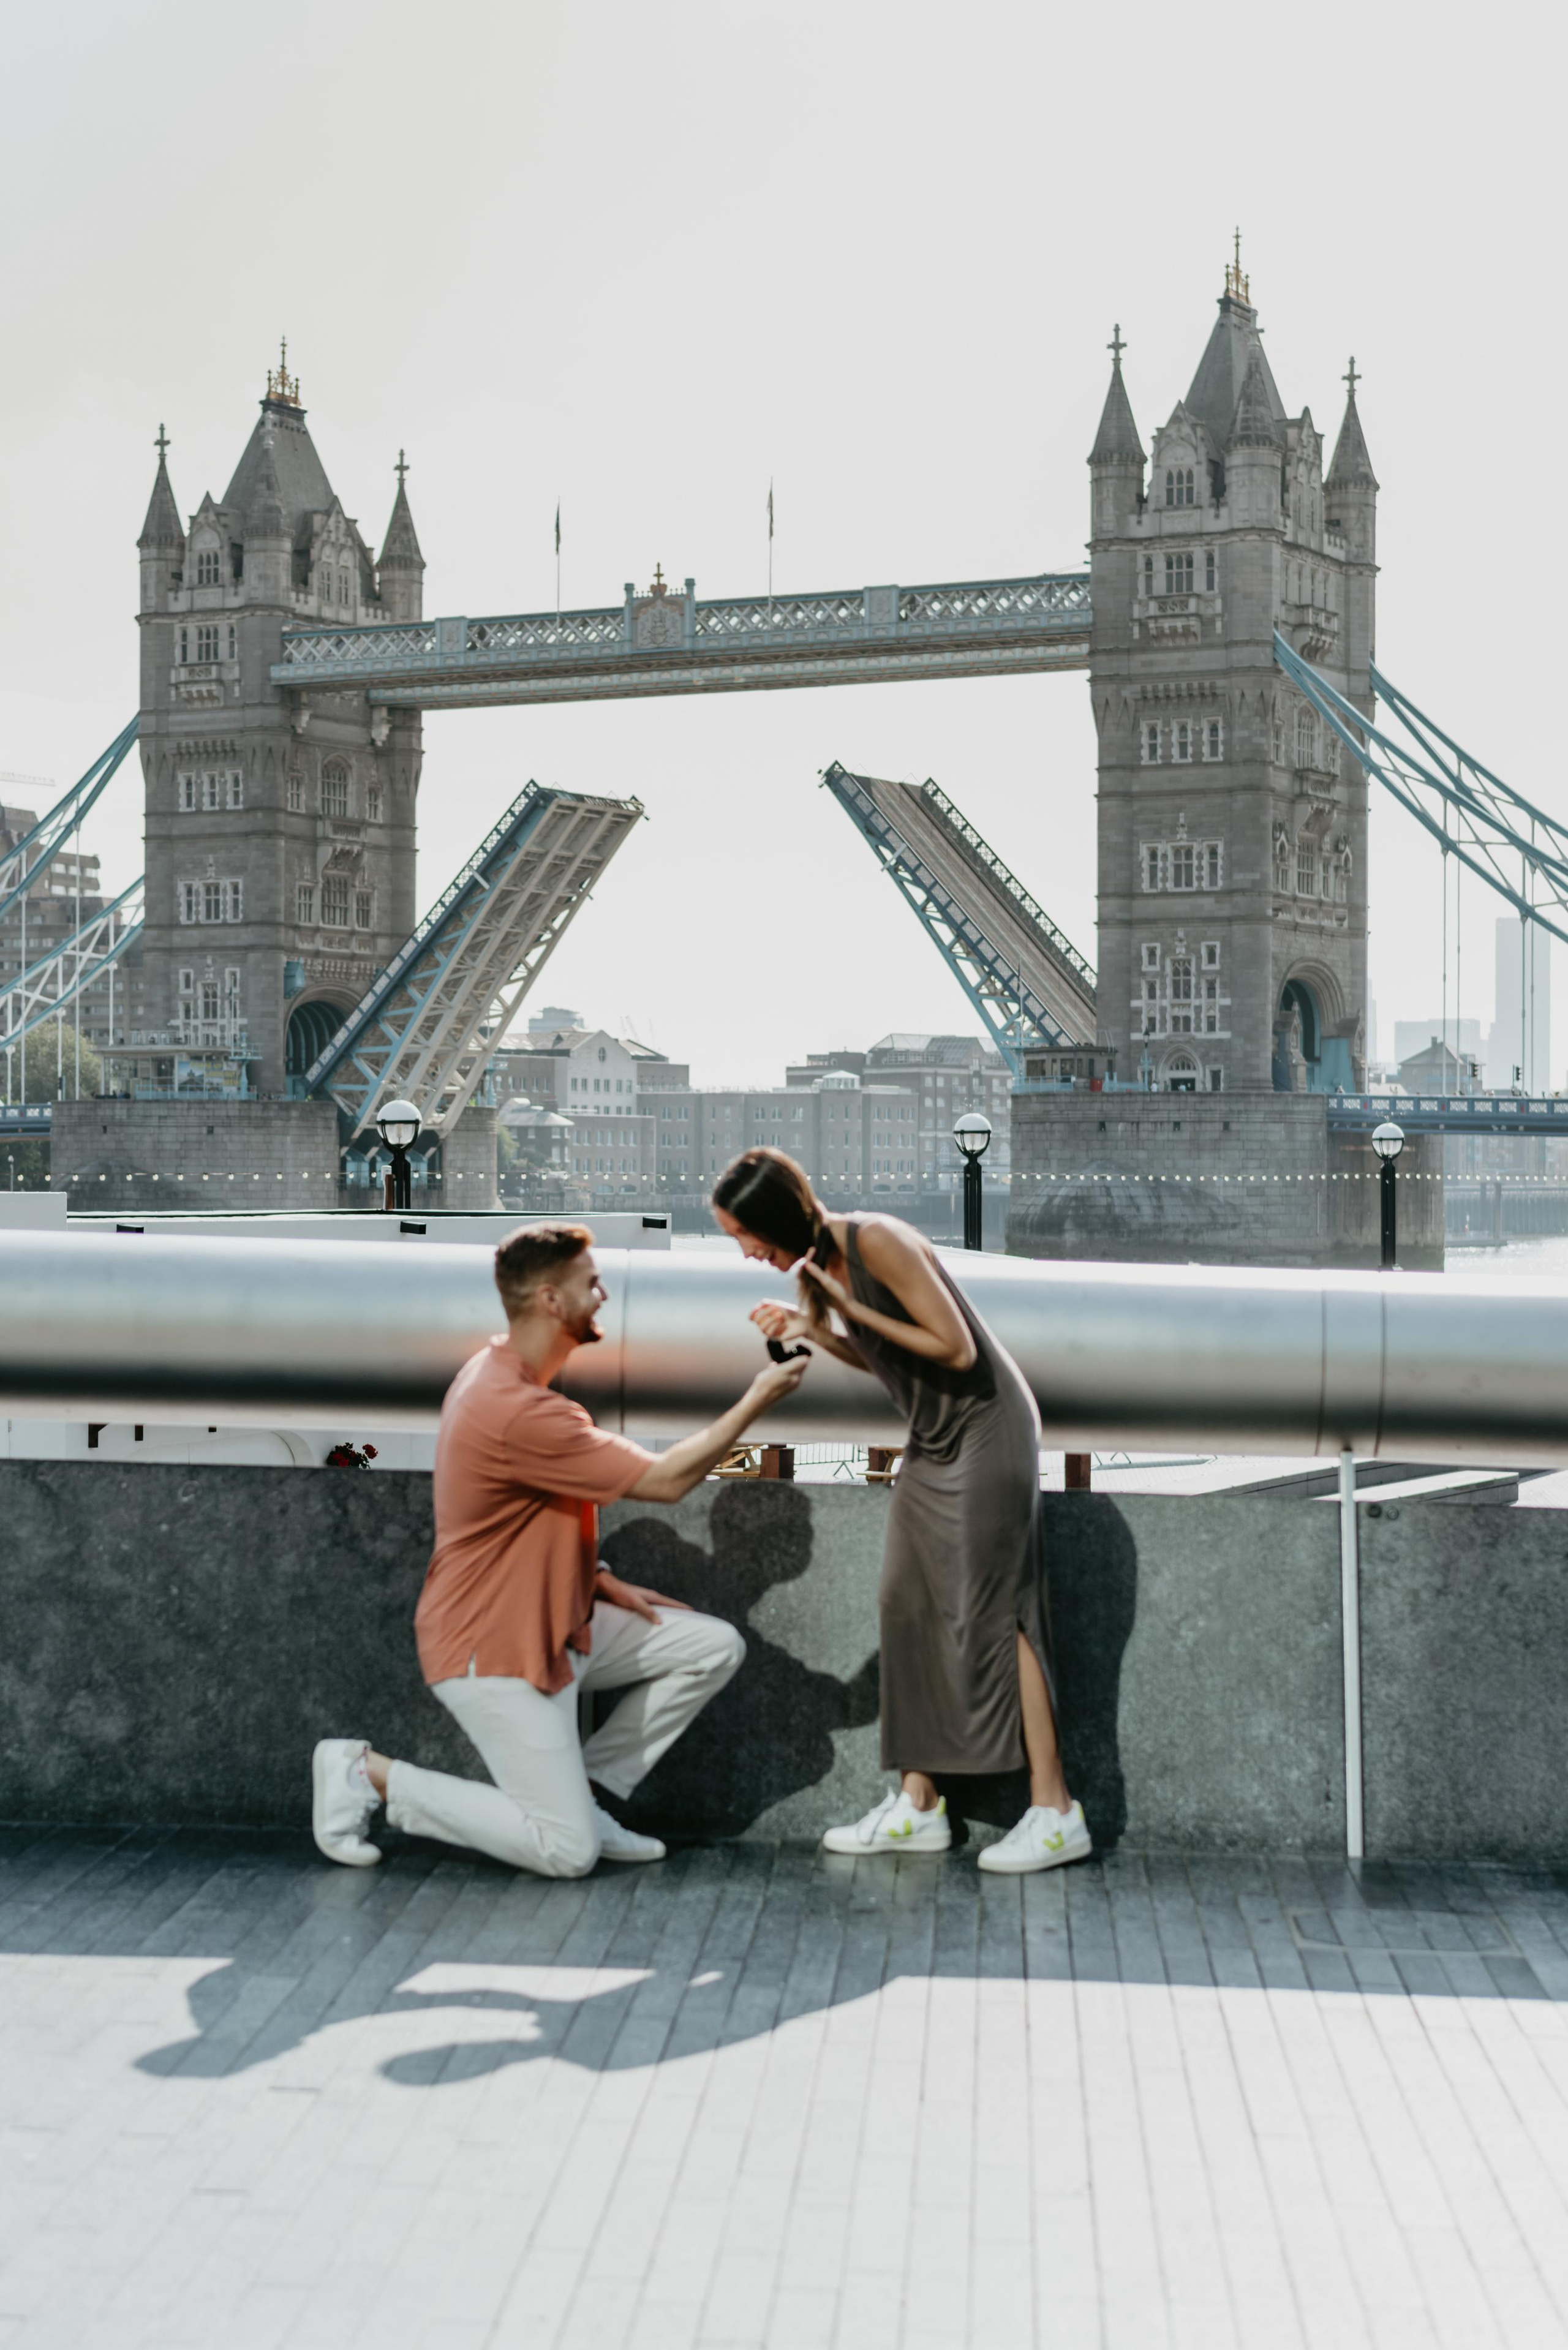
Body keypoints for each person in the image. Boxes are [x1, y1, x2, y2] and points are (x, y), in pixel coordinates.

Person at [311, 1221, 807, 1877]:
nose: (603, 1295)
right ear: (550, 1300)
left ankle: (587, 1796)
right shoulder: (519, 1408)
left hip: (552, 1623)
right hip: (491, 1648)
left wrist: (595, 1576)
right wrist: (758, 1397)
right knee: (565, 1853)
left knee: (710, 1646)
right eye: (590, 1284)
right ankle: (366, 1775)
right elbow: (666, 1480)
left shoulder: (498, 1370)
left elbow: (509, 1507)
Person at [712, 1149, 1089, 1875]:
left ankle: (1055, 1810)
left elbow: (953, 1347)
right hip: (932, 1438)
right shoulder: (817, 1269)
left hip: (986, 1429)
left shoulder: (873, 1239)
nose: (744, 1250)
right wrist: (816, 1328)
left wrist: (842, 1307)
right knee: (905, 1605)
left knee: (997, 1612)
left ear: (773, 1217)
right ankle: (919, 1806)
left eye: (742, 1234)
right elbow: (882, 1353)